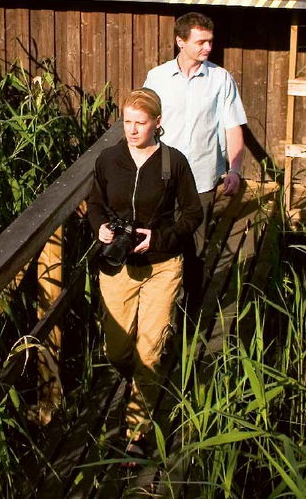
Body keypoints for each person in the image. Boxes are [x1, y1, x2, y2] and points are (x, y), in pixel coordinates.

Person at [87, 88, 202, 458]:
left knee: (149, 352)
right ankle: (137, 377)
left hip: (162, 265)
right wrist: (101, 228)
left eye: (140, 123)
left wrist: (160, 236)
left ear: (157, 123)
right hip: (117, 266)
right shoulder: (109, 159)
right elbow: (95, 204)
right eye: (127, 122)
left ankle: (136, 434)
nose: (132, 130)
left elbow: (193, 214)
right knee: (118, 349)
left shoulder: (174, 163)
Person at [141, 12, 247, 304]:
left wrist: (235, 169)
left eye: (210, 42)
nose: (208, 48)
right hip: (162, 176)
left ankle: (190, 308)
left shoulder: (220, 79)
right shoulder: (157, 78)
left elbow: (232, 125)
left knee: (196, 245)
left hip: (202, 179)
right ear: (180, 41)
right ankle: (161, 304)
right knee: (159, 239)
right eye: (201, 42)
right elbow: (144, 120)